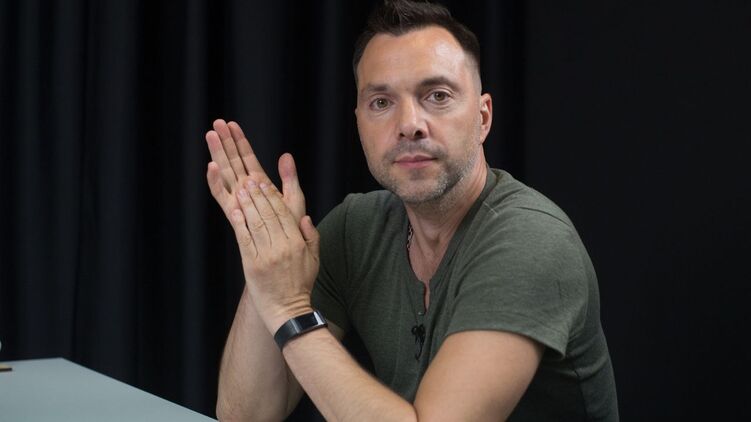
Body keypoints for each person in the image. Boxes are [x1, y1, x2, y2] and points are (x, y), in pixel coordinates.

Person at [205, 0, 618, 420]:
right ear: (359, 124)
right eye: (381, 102)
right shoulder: (357, 228)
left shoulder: (531, 242)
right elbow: (245, 415)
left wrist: (290, 309)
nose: (409, 124)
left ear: (483, 118)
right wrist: (267, 264)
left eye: (437, 96)